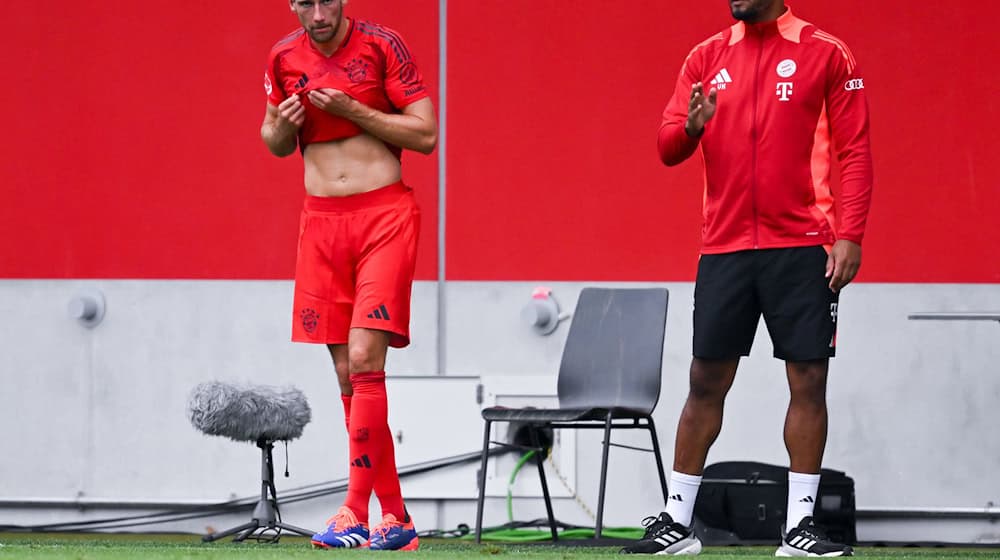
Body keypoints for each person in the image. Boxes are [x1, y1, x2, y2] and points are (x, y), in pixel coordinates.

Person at [622, 0, 871, 556]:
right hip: (726, 247)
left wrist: (850, 233)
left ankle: (800, 527)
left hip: (804, 245)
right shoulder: (706, 56)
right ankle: (676, 523)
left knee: (808, 379)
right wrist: (691, 126)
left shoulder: (827, 53)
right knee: (705, 380)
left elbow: (854, 150)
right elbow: (667, 147)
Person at [260, 0, 437, 551]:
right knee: (347, 376)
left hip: (383, 215)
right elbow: (274, 141)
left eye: (327, 1)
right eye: (305, 3)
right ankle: (397, 518)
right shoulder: (282, 57)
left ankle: (353, 511)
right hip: (320, 224)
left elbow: (426, 135)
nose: (318, 13)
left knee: (364, 360)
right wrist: (282, 127)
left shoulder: (383, 45)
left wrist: (357, 111)